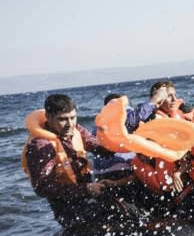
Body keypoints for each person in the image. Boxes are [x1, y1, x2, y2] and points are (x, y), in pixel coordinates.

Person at [22, 94, 128, 228]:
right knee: (108, 221)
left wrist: (122, 141)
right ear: (48, 117)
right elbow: (42, 187)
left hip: (90, 195)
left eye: (73, 117)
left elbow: (100, 149)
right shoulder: (41, 146)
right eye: (62, 119)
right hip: (68, 209)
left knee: (125, 207)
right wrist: (86, 189)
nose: (69, 124)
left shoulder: (76, 130)